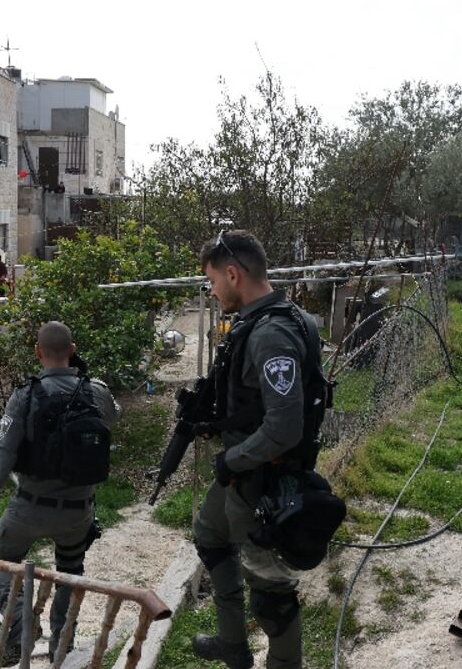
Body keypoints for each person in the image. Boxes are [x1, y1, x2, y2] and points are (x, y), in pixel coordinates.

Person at [192, 230, 318, 669]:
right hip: (240, 472)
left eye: (212, 280)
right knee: (209, 535)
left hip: (261, 479)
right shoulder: (279, 318)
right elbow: (255, 402)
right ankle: (233, 644)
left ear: (233, 273)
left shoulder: (273, 335)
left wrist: (230, 458)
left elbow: (283, 428)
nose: (210, 290)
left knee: (272, 596)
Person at [0, 321, 120, 666]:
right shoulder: (96, 390)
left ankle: (21, 630)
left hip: (30, 509)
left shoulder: (26, 395)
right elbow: (110, 422)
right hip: (80, 511)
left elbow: (0, 460)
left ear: (38, 353)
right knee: (69, 571)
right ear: (74, 350)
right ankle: (61, 647)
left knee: (2, 561)